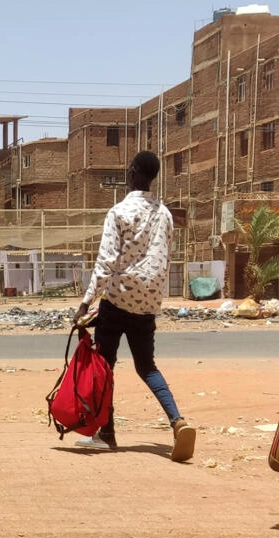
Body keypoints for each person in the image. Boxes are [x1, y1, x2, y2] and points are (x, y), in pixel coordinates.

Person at [72, 150, 196, 463]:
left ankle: (107, 434)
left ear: (132, 172)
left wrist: (86, 302)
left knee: (104, 367)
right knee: (146, 366)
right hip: (147, 303)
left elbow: (105, 261)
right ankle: (177, 421)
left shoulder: (119, 212)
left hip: (116, 299)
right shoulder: (165, 214)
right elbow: (163, 257)